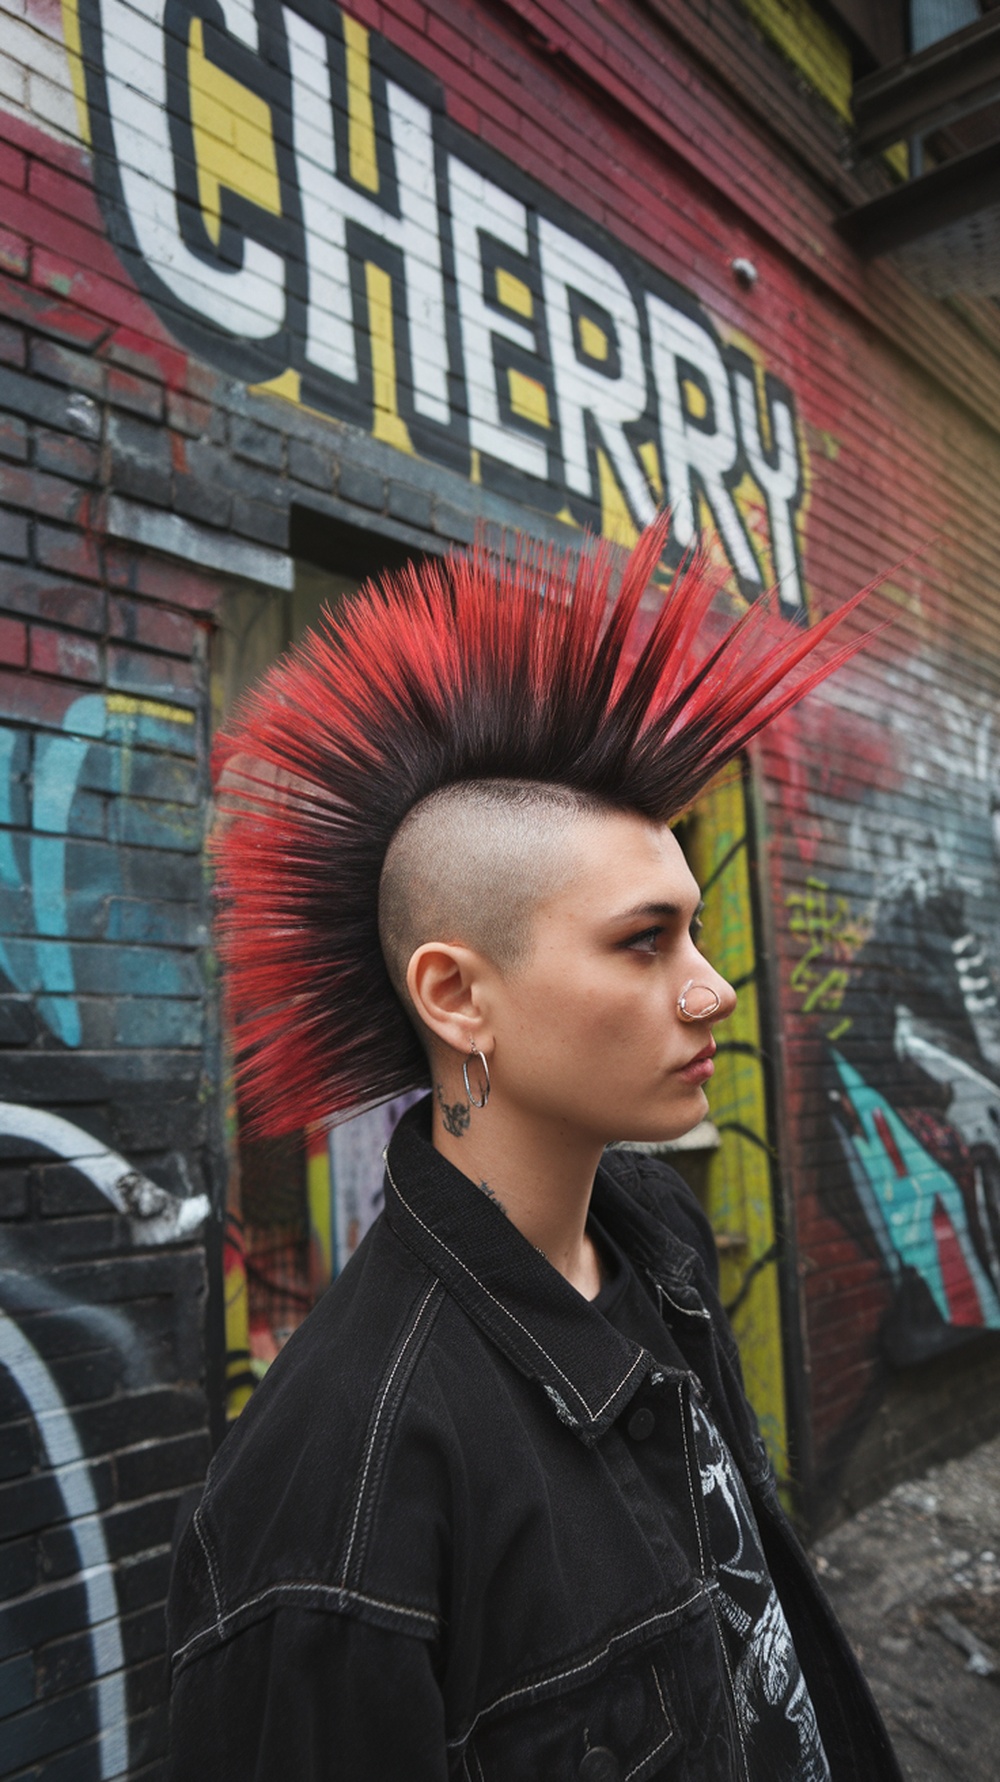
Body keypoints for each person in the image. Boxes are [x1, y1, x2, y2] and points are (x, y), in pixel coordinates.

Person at [167, 517, 902, 1779]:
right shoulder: (339, 1501)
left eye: (697, 934)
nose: (713, 989)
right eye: (644, 941)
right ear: (457, 996)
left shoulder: (655, 1237)